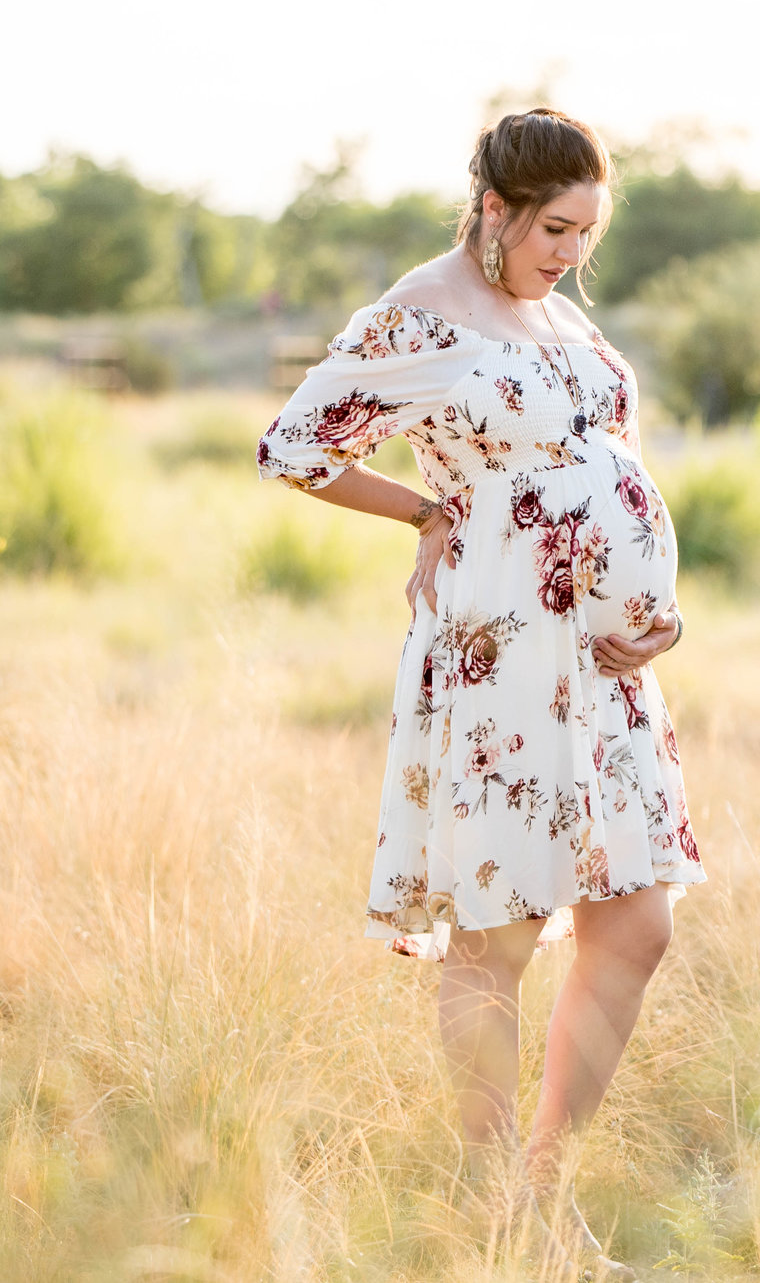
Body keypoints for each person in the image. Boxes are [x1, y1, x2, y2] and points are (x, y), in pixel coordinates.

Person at [256, 108, 702, 1276]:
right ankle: (497, 1204)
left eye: (587, 232)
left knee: (637, 923)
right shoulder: (423, 311)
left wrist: (647, 602)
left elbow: (609, 471)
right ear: (494, 206)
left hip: (601, 678)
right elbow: (296, 443)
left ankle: (546, 1186)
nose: (570, 252)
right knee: (495, 935)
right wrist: (423, 512)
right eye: (554, 227)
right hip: (503, 656)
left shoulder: (556, 314)